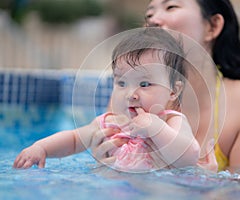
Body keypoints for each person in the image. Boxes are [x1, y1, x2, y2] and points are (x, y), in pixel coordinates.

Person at [93, 0, 240, 172]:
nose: (153, 21)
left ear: (212, 26)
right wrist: (104, 165)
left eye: (171, 7)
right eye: (149, 15)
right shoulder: (131, 96)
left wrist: (203, 182)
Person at [13, 28, 202, 172]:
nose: (131, 94)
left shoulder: (171, 121)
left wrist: (156, 129)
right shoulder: (109, 123)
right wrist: (41, 148)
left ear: (173, 91)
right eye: (122, 83)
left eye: (144, 84)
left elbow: (190, 156)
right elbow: (73, 139)